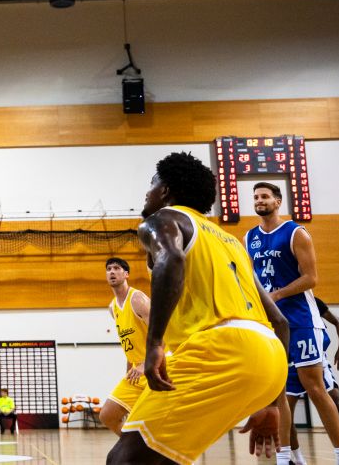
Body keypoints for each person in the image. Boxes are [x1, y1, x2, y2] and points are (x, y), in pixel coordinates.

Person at [106, 152, 289, 465]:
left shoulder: (163, 220)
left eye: (152, 184)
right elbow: (280, 321)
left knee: (124, 460)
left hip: (221, 350)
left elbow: (171, 259)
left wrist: (155, 343)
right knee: (165, 458)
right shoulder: (231, 242)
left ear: (165, 191)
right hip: (271, 357)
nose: (147, 193)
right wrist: (272, 402)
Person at [245, 182, 339, 464]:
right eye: (256, 197)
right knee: (277, 391)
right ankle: (284, 459)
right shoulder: (249, 237)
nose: (259, 200)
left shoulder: (296, 232)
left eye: (265, 196)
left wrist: (276, 295)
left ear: (278, 201)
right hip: (270, 324)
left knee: (316, 389)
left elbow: (311, 278)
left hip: (300, 319)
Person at [286, 299, 339, 465]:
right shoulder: (276, 299)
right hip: (290, 361)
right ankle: (299, 460)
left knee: (338, 406)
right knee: (286, 414)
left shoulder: (311, 301)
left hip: (315, 357)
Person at [99, 257, 150, 435]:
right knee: (107, 416)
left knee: (153, 423)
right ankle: (134, 447)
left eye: (117, 268)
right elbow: (129, 345)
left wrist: (146, 364)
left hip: (157, 367)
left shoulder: (137, 299)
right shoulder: (112, 308)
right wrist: (129, 371)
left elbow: (162, 334)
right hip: (137, 371)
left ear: (126, 274)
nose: (112, 272)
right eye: (109, 269)